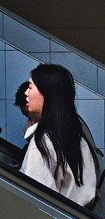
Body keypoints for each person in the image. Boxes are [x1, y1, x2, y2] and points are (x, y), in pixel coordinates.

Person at [19, 63, 97, 207]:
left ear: (46, 93)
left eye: (30, 87)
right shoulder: (78, 138)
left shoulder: (43, 142)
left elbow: (35, 201)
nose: (26, 93)